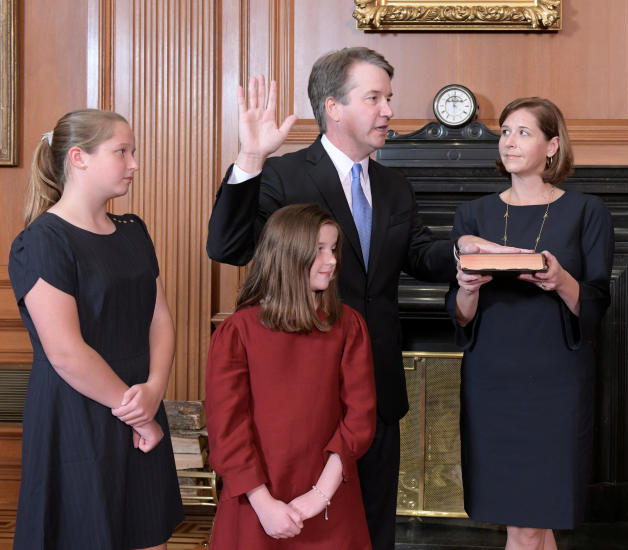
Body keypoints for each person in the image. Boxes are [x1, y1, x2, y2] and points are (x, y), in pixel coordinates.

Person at [206, 46, 503, 549]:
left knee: (372, 532)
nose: (389, 110)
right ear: (333, 107)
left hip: (376, 393)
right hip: (306, 402)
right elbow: (228, 247)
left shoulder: (393, 185)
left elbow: (417, 253)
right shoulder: (284, 175)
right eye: (374, 98)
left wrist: (461, 252)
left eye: (389, 97)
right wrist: (252, 157)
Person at [7, 109, 184, 549]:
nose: (134, 164)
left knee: (149, 536)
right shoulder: (43, 241)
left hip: (140, 401)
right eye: (121, 152)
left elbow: (159, 317)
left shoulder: (133, 230)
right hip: (76, 414)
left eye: (133, 152)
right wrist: (138, 413)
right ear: (79, 158)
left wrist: (153, 392)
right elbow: (66, 353)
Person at [447, 97, 614, 550]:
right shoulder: (473, 215)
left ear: (552, 145)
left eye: (523, 132)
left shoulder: (587, 211)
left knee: (532, 518)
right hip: (491, 381)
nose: (509, 141)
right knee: (527, 522)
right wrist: (466, 287)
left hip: (556, 381)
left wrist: (561, 281)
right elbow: (460, 316)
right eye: (504, 131)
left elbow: (598, 302)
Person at [205, 204, 377, 549]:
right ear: (287, 255)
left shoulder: (349, 325)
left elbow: (359, 419)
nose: (332, 260)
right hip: (254, 501)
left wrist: (319, 496)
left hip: (330, 500)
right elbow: (228, 430)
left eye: (333, 249)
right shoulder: (237, 332)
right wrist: (264, 504)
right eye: (319, 250)